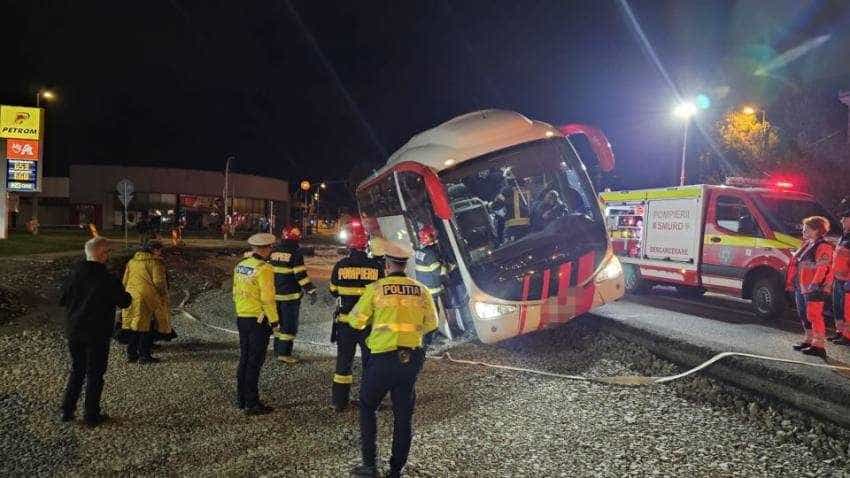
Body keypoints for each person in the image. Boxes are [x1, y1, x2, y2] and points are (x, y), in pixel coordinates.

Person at [349, 238, 438, 478]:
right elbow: (432, 324)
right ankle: (396, 469)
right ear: (405, 265)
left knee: (368, 406)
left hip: (381, 360)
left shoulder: (376, 289)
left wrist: (370, 331)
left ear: (387, 265)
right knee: (403, 415)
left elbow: (355, 320)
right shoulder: (421, 290)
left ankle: (369, 466)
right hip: (410, 360)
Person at [58, 237, 132, 426]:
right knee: (95, 373)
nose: (108, 256)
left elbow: (61, 299)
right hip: (97, 333)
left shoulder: (73, 274)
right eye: (107, 252)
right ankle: (91, 414)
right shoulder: (107, 279)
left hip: (74, 330)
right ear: (100, 253)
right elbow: (124, 301)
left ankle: (67, 410)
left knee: (77, 370)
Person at [329, 221, 384, 412]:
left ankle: (339, 401)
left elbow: (334, 291)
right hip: (368, 324)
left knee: (343, 362)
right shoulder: (376, 268)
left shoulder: (340, 266)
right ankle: (370, 402)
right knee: (370, 362)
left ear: (350, 246)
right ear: (365, 246)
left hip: (345, 323)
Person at [233, 232, 280, 415]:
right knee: (254, 362)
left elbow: (236, 291)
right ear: (265, 248)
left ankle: (241, 399)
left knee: (244, 359)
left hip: (242, 317)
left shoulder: (241, 266)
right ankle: (252, 403)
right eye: (270, 247)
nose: (270, 250)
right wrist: (275, 321)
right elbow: (268, 299)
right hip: (258, 321)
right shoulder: (264, 269)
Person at [120, 240, 175, 363]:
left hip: (131, 296)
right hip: (148, 297)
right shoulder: (156, 263)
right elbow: (159, 283)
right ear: (154, 250)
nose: (161, 252)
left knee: (135, 324)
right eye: (160, 250)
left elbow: (125, 280)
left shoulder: (132, 261)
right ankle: (144, 355)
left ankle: (132, 353)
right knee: (146, 326)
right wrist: (163, 296)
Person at [787, 216, 834, 358]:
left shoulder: (823, 246)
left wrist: (815, 284)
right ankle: (809, 340)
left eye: (806, 229)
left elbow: (822, 267)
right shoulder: (808, 244)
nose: (803, 231)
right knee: (804, 314)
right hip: (803, 286)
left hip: (814, 287)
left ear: (816, 230)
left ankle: (819, 346)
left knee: (814, 315)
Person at [270, 226, 317, 364]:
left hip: (274, 295)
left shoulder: (273, 251)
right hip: (289, 297)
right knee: (289, 326)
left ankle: (278, 349)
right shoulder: (295, 253)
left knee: (278, 324)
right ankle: (284, 354)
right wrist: (311, 290)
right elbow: (300, 275)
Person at [413, 224, 450, 345]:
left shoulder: (421, 252)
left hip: (425, 289)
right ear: (429, 237)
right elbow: (438, 271)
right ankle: (429, 339)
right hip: (430, 290)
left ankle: (431, 334)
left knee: (431, 314)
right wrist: (451, 266)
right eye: (434, 236)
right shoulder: (430, 254)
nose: (436, 238)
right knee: (432, 315)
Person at [830, 207, 850, 346]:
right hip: (838, 278)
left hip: (847, 280)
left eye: (845, 218)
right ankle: (840, 332)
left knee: (847, 309)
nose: (842, 220)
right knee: (837, 307)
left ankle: (847, 336)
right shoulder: (844, 235)